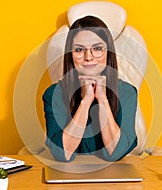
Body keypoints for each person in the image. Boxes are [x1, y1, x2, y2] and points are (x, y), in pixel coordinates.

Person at [42, 16, 138, 162]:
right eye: (79, 50)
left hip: (114, 176)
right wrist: (86, 101)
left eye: (98, 48)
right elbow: (63, 154)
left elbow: (117, 152)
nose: (89, 57)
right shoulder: (53, 94)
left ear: (108, 52)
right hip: (68, 176)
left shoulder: (127, 92)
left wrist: (103, 100)